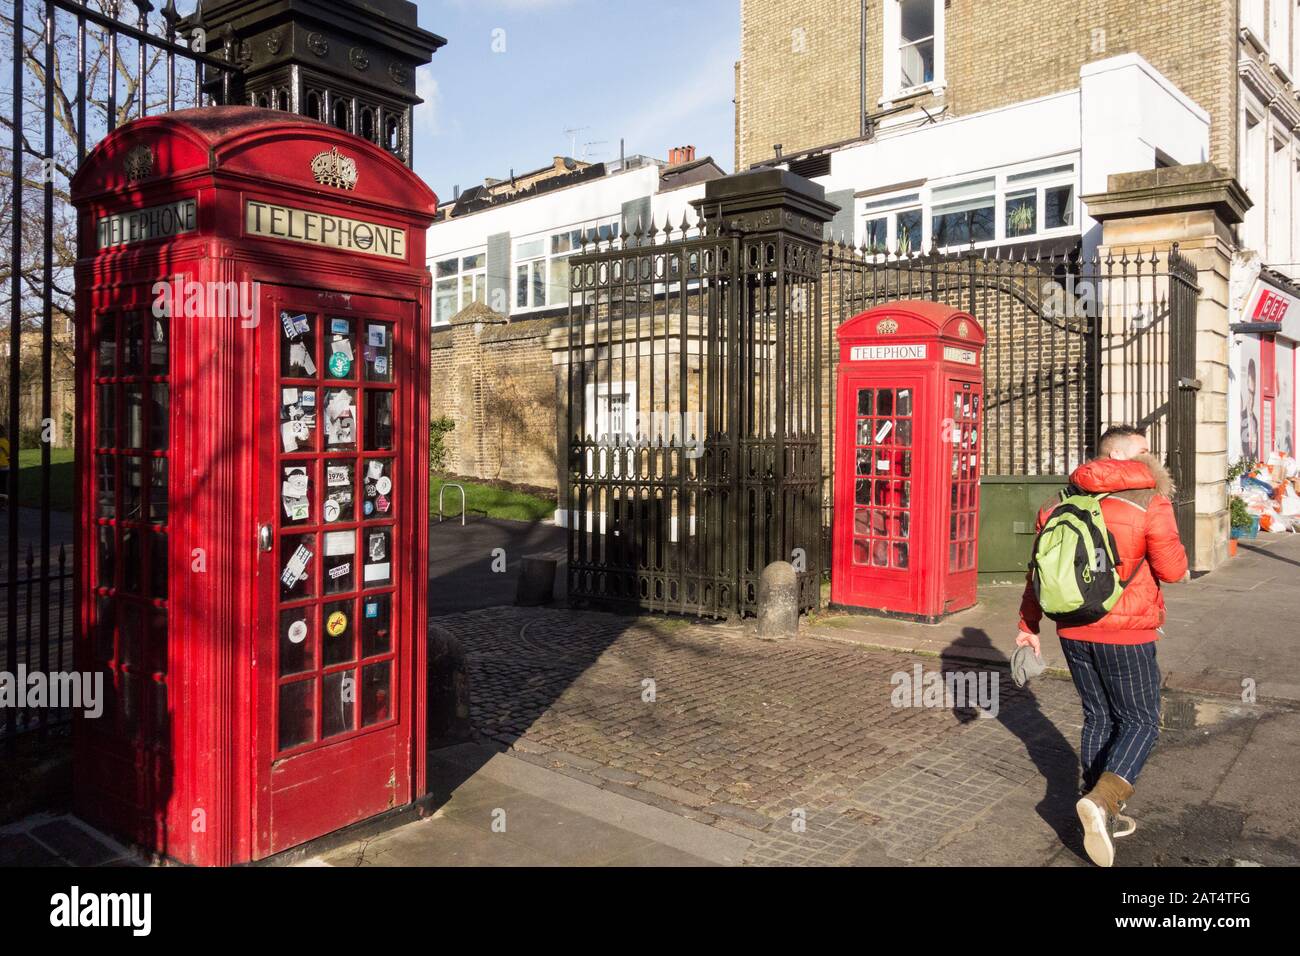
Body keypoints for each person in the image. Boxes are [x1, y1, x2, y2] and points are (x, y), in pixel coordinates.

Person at [1016, 425, 1189, 867]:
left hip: (1072, 629)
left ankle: (1098, 813)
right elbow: (1173, 570)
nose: (1154, 458)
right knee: (1142, 722)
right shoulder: (1151, 500)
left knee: (1098, 716)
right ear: (1125, 457)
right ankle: (1103, 804)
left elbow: (1038, 572)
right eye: (1146, 451)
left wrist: (1028, 625)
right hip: (1126, 633)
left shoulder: (1057, 502)